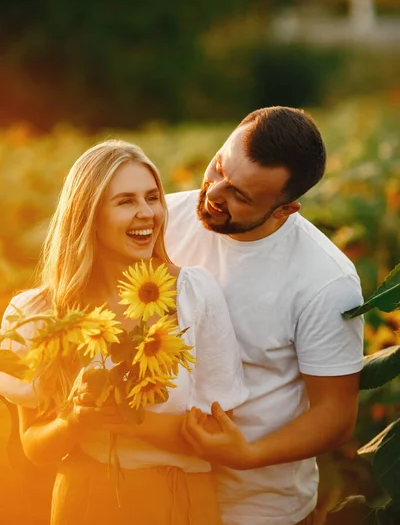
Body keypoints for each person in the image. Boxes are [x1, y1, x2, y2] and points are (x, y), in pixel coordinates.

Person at [0, 140, 248, 525]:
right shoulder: (35, 313)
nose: (147, 213)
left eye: (152, 197)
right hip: (84, 503)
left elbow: (216, 431)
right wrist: (74, 420)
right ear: (87, 216)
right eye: (126, 201)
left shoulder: (193, 294)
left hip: (179, 500)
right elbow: (34, 447)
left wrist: (120, 417)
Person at [165, 106, 364, 525]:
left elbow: (336, 415)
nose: (215, 193)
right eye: (218, 167)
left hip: (257, 506)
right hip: (160, 488)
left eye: (240, 195)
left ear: (284, 210)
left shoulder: (326, 280)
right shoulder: (160, 219)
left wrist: (248, 455)